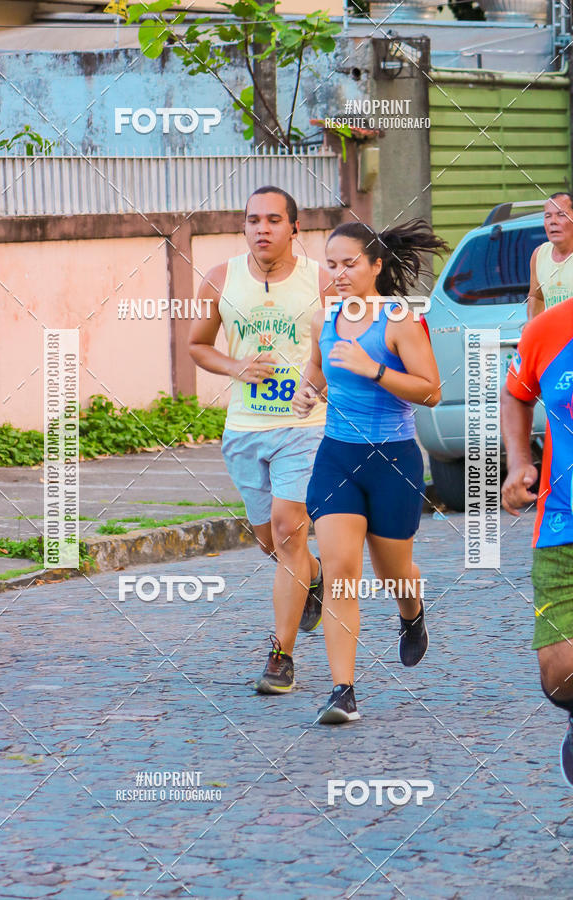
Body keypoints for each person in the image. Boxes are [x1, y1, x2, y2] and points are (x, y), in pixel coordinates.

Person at [292, 220, 448, 724]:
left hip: (393, 460)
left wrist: (374, 369)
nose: (338, 274)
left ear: (376, 266)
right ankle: (343, 691)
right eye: (331, 264)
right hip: (337, 457)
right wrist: (307, 389)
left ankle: (412, 611)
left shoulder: (401, 319)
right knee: (340, 571)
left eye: (349, 263)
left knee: (394, 573)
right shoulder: (325, 318)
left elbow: (431, 391)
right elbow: (319, 367)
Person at [189, 186, 331, 694]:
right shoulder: (220, 280)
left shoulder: (322, 280)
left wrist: (319, 387)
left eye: (274, 220)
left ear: (295, 228)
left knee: (288, 527)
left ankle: (281, 656)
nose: (262, 229)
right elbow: (197, 345)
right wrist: (237, 367)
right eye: (253, 220)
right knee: (269, 540)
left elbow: (344, 346)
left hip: (303, 426)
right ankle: (312, 578)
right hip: (245, 430)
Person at [501, 297, 573, 786]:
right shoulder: (548, 329)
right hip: (562, 521)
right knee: (559, 673)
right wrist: (518, 460)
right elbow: (516, 393)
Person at [527, 193, 573, 319]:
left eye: (561, 215)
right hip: (554, 337)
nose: (553, 221)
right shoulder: (539, 254)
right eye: (548, 216)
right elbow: (536, 296)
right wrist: (532, 324)